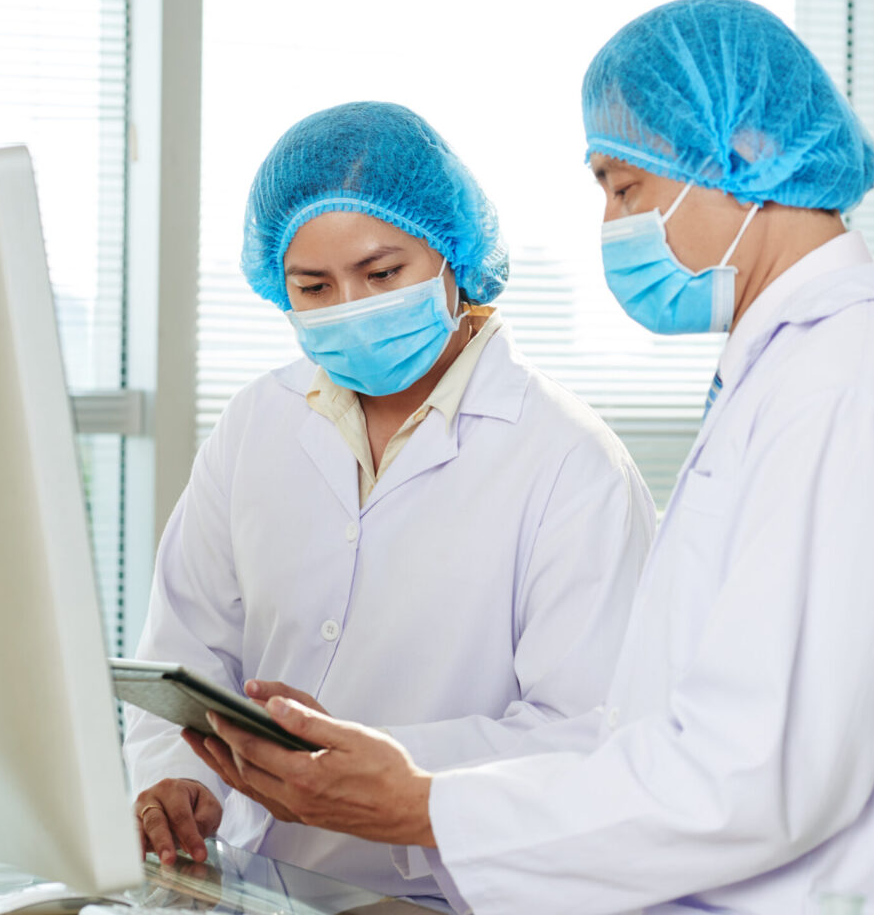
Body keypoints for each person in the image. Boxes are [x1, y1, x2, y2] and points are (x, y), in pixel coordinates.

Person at [188, 0, 874, 914]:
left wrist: (424, 804)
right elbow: (680, 734)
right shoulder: (795, 377)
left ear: (744, 151)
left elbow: (757, 775)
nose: (615, 224)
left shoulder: (846, 390)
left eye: (624, 187)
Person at [123, 102, 655, 898]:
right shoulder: (255, 424)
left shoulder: (571, 462)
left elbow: (589, 735)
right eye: (313, 286)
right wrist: (178, 786)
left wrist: (386, 773)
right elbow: (187, 653)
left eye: (381, 274)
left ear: (452, 256)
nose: (350, 306)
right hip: (251, 881)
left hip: (449, 895)